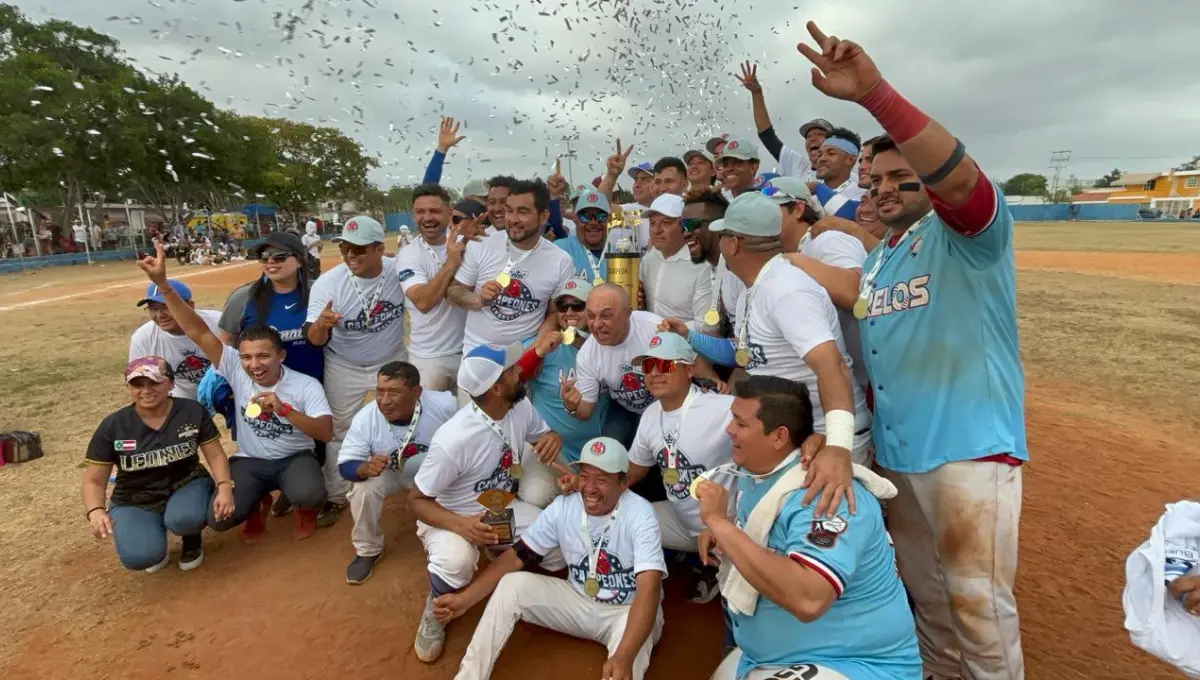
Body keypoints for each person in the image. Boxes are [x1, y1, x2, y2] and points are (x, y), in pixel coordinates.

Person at [798, 20, 1027, 679]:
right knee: (927, 600)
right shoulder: (883, 258)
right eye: (877, 181)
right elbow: (854, 291)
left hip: (967, 452)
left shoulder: (969, 233)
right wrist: (781, 257)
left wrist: (873, 93)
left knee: (979, 610)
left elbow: (957, 180)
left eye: (902, 175)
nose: (885, 188)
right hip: (902, 458)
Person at [695, 375, 919, 680]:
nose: (729, 429)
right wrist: (729, 533)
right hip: (770, 655)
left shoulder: (825, 493)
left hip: (856, 663)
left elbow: (809, 598)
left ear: (779, 437)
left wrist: (721, 524)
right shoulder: (758, 472)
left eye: (741, 423)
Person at [136, 242, 334, 541]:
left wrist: (286, 410)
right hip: (249, 460)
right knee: (217, 520)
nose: (254, 365)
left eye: (263, 356)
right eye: (246, 357)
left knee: (309, 493)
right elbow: (198, 331)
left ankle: (304, 508)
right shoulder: (234, 369)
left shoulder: (305, 384)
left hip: (293, 456)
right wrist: (162, 284)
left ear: (280, 356)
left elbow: (326, 432)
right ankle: (256, 502)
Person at [433, 437, 667, 680]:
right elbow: (516, 557)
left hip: (627, 612)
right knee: (512, 585)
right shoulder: (564, 507)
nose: (590, 487)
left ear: (624, 482)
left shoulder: (641, 514)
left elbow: (649, 589)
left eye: (602, 479)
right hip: (578, 600)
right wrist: (465, 599)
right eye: (585, 476)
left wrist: (624, 654)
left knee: (621, 670)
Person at [676, 191, 873, 473]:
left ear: (733, 244)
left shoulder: (787, 289)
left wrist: (837, 447)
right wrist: (688, 336)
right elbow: (748, 354)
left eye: (722, 236)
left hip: (826, 440)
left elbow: (834, 367)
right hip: (795, 439)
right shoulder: (754, 289)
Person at [406, 343, 567, 663]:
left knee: (555, 545)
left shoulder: (518, 406)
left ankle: (497, 548)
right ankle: (437, 607)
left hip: (498, 507)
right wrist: (462, 526)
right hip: (452, 516)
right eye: (510, 371)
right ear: (495, 388)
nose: (519, 371)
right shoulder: (454, 439)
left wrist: (554, 439)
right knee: (456, 564)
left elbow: (542, 438)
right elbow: (416, 500)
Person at [82, 356, 235, 572]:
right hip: (134, 496)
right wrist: (95, 510)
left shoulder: (191, 411)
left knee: (185, 519)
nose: (146, 390)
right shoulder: (113, 426)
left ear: (171, 383)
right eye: (137, 384)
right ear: (128, 387)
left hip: (187, 482)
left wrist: (224, 486)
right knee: (140, 557)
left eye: (154, 382)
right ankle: (151, 534)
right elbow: (93, 480)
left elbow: (216, 455)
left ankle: (191, 537)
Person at [305, 215, 408, 527]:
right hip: (343, 364)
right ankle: (336, 495)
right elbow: (313, 339)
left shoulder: (398, 272)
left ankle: (411, 480)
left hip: (390, 360)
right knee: (339, 430)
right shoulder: (328, 283)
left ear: (380, 249)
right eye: (345, 249)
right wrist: (321, 327)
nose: (350, 256)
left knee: (406, 418)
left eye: (359, 250)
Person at [627, 332, 733, 603]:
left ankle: (716, 569)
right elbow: (634, 470)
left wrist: (814, 439)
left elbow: (772, 426)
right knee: (617, 516)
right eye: (649, 366)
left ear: (689, 370)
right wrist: (592, 484)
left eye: (665, 365)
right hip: (680, 519)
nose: (655, 373)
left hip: (726, 526)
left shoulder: (722, 407)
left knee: (743, 594)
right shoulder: (651, 414)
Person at [337, 361, 458, 584]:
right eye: (379, 392)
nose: (384, 401)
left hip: (435, 472)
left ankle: (454, 540)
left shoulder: (446, 405)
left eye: (394, 392)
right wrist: (363, 468)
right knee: (363, 488)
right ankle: (368, 549)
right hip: (391, 472)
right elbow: (345, 464)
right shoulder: (366, 418)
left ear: (417, 392)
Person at [764, 177, 870, 398]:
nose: (761, 218)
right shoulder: (790, 254)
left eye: (769, 210)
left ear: (798, 209)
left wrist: (793, 260)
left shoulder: (827, 239)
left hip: (866, 384)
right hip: (833, 383)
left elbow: (854, 294)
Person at [446, 179, 573, 352]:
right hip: (479, 350)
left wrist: (534, 353)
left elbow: (553, 314)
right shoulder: (481, 244)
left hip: (526, 350)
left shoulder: (560, 260)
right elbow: (453, 292)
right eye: (509, 211)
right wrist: (479, 299)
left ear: (543, 216)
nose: (513, 219)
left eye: (522, 212)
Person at [519, 278, 609, 464]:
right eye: (562, 306)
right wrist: (539, 352)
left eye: (578, 305)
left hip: (598, 452)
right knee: (537, 494)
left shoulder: (607, 344)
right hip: (552, 451)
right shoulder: (542, 346)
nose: (569, 312)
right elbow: (511, 378)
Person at [560, 284, 662, 441]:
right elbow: (586, 411)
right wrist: (571, 406)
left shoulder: (654, 328)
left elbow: (686, 367)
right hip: (624, 409)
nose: (597, 324)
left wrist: (712, 380)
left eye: (606, 316)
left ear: (628, 314)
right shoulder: (587, 355)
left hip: (665, 402)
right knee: (607, 452)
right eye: (591, 316)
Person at [218, 231, 323, 383]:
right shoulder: (243, 298)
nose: (271, 261)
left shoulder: (319, 293)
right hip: (260, 389)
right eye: (264, 256)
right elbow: (227, 345)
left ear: (300, 261)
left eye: (280, 256)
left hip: (315, 388)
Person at [396, 183, 470, 391]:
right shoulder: (409, 255)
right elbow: (423, 301)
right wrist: (452, 263)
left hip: (469, 350)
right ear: (413, 216)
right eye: (420, 211)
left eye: (434, 211)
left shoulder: (467, 244)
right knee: (430, 420)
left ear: (449, 213)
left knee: (470, 420)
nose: (427, 217)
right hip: (429, 358)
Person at [735, 60, 834, 183]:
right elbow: (767, 136)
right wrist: (756, 93)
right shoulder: (798, 165)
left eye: (820, 134)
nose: (812, 139)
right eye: (808, 136)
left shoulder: (850, 179)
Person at [128, 279, 223, 401]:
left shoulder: (219, 324)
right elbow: (139, 381)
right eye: (153, 308)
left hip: (226, 385)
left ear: (190, 306)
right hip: (180, 394)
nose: (160, 315)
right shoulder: (143, 338)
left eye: (167, 306)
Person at [640, 193, 714, 331]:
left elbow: (706, 325)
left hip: (686, 346)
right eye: (652, 223)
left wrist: (672, 328)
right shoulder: (648, 260)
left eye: (666, 223)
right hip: (648, 341)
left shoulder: (702, 266)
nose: (657, 230)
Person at [681, 191, 745, 335]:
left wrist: (688, 336)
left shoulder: (738, 271)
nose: (686, 233)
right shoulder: (716, 268)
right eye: (683, 225)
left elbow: (745, 346)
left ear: (719, 225)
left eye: (693, 224)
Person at [557, 190, 611, 284]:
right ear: (575, 219)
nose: (593, 223)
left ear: (609, 219)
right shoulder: (560, 249)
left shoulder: (621, 253)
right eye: (585, 217)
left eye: (600, 216)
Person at [812, 128, 868, 217]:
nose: (821, 159)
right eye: (820, 154)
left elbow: (853, 215)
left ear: (850, 160)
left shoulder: (862, 193)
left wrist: (817, 188)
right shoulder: (808, 193)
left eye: (831, 154)